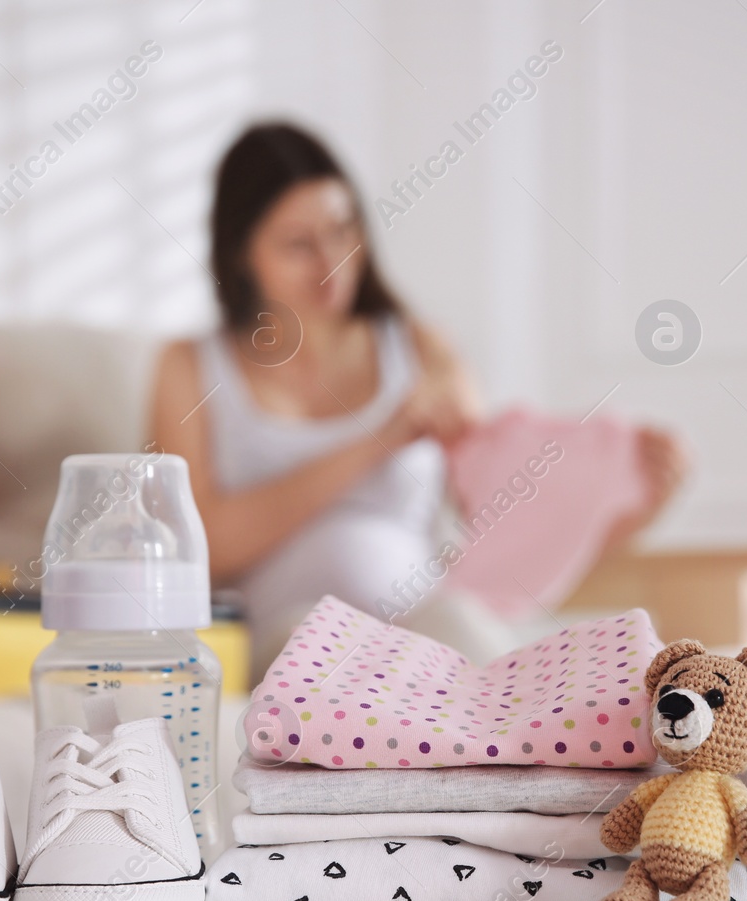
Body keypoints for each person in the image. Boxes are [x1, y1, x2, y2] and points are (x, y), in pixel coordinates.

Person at [149, 122, 684, 675]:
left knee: (462, 630)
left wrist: (627, 495)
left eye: (341, 229)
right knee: (314, 643)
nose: (331, 264)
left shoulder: (421, 348)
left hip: (423, 622)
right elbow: (201, 545)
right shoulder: (187, 368)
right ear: (240, 253)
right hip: (282, 637)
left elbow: (505, 534)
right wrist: (380, 440)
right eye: (297, 245)